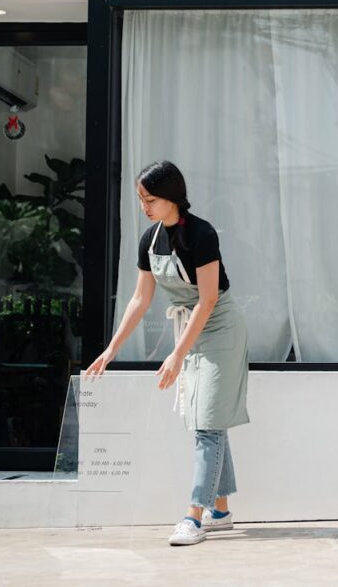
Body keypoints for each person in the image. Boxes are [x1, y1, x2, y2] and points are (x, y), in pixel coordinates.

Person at [84, 160, 250, 546]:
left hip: (220, 327)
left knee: (206, 423)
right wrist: (111, 349)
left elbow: (208, 301)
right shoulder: (150, 240)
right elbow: (140, 299)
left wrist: (177, 354)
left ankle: (193, 517)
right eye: (141, 200)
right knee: (207, 419)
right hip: (190, 328)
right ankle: (220, 511)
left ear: (172, 196)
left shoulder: (203, 234)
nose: (145, 207)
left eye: (151, 199)